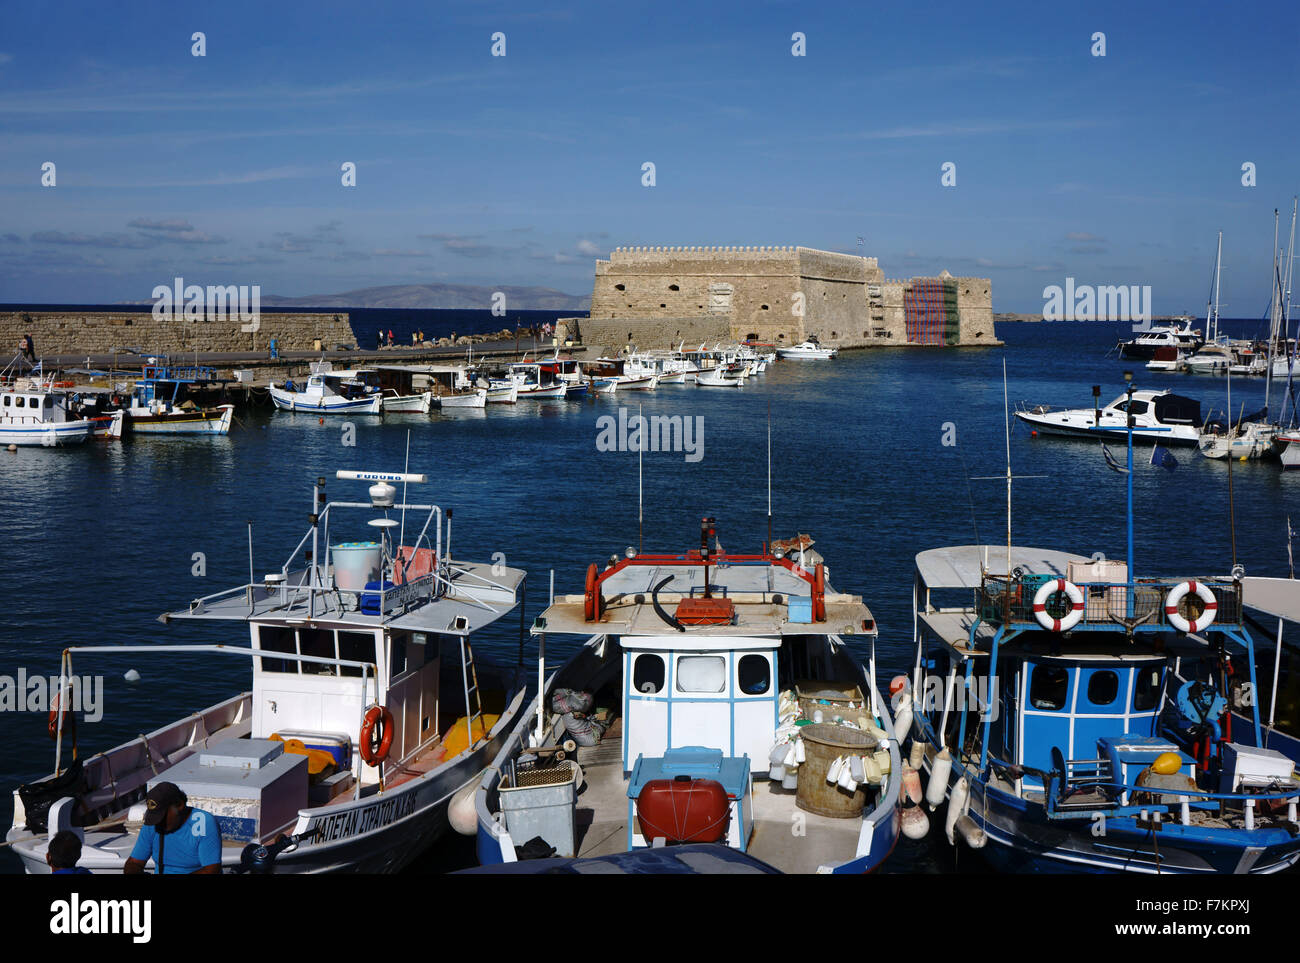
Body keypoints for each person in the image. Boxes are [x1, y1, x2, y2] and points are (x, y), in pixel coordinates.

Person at [124, 782, 222, 875]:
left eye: (162, 816)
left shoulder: (203, 822)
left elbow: (211, 870)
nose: (158, 822)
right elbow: (133, 863)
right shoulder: (152, 824)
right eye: (155, 816)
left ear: (179, 805)